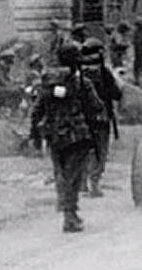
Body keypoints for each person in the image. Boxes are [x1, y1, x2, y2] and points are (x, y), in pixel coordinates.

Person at [29, 42, 106, 233]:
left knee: (60, 173)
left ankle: (63, 205)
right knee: (73, 176)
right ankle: (69, 215)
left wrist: (35, 134)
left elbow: (36, 111)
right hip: (76, 135)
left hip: (53, 135)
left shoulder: (46, 83)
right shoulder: (82, 83)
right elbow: (97, 106)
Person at [79, 37, 123, 197]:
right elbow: (117, 94)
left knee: (84, 150)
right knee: (100, 151)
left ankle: (82, 183)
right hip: (101, 118)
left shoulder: (77, 71)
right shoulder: (104, 72)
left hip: (82, 119)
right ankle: (95, 184)